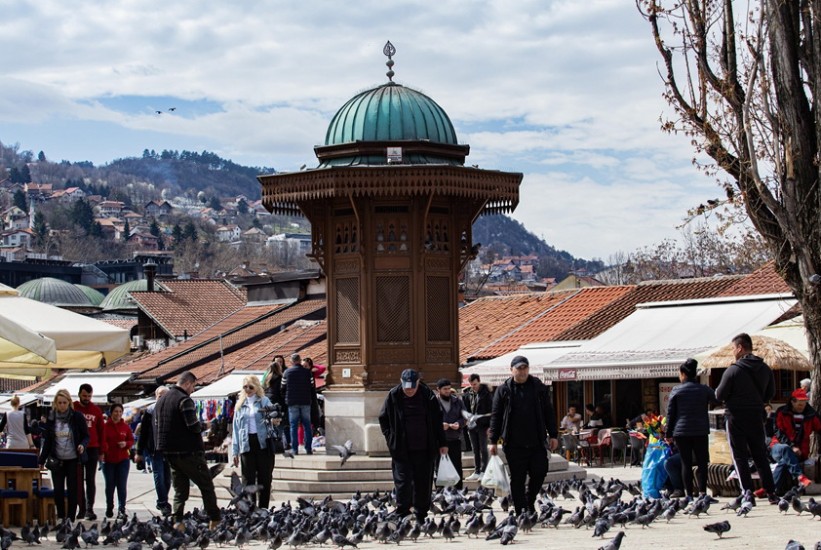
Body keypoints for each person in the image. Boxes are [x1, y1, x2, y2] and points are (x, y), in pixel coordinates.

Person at [488, 355, 559, 515]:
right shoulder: (503, 390)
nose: (522, 371)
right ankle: (521, 510)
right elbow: (496, 416)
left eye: (525, 368)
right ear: (511, 369)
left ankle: (529, 499)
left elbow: (549, 411)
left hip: (536, 440)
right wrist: (493, 440)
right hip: (513, 443)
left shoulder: (538, 387)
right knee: (518, 478)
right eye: (519, 368)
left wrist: (553, 434)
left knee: (540, 471)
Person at [715, 332, 778, 503]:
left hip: (736, 417)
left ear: (740, 348)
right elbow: (770, 393)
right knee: (760, 455)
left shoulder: (733, 370)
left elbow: (719, 395)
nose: (733, 352)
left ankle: (748, 493)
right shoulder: (765, 369)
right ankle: (771, 493)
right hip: (757, 416)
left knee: (740, 456)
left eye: (733, 348)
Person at [379, 369, 447, 522]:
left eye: (412, 386)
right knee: (403, 482)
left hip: (425, 448)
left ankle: (420, 513)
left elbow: (437, 420)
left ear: (418, 382)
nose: (409, 390)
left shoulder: (427, 396)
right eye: (406, 386)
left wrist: (442, 443)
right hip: (401, 449)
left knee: (423, 482)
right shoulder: (393, 395)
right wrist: (391, 438)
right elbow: (383, 419)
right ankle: (403, 512)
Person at [154, 371, 221, 528]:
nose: (193, 390)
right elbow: (193, 426)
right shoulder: (184, 400)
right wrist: (208, 425)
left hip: (169, 452)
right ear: (188, 383)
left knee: (180, 490)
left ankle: (177, 521)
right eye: (193, 386)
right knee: (206, 485)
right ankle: (215, 519)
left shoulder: (162, 400)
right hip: (188, 452)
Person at [666, 358, 717, 500]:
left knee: (685, 463)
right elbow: (717, 400)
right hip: (700, 430)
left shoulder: (676, 390)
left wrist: (668, 433)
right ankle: (702, 493)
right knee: (702, 462)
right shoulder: (704, 389)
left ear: (683, 374)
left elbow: (671, 413)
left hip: (681, 432)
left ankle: (689, 494)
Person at [38, 389, 89, 523]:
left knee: (73, 490)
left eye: (64, 402)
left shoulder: (76, 417)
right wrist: (41, 459)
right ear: (55, 403)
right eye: (59, 403)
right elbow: (48, 441)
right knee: (58, 491)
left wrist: (82, 445)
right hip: (57, 459)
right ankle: (61, 517)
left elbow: (86, 436)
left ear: (69, 403)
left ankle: (70, 519)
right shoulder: (52, 418)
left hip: (73, 459)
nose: (62, 405)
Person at [231, 375, 275, 509]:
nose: (248, 390)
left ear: (256, 387)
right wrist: (235, 451)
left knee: (265, 478)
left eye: (251, 387)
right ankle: (250, 508)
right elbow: (235, 429)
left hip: (262, 442)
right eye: (245, 387)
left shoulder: (264, 401)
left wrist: (274, 417)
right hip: (246, 443)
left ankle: (263, 509)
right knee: (247, 480)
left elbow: (274, 415)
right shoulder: (239, 405)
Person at [770, 388, 820, 492]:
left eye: (804, 403)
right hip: (778, 447)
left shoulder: (811, 415)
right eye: (799, 404)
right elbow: (778, 432)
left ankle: (769, 490)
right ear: (792, 401)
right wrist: (792, 447)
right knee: (785, 448)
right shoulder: (781, 412)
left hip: (800, 451)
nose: (802, 406)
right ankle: (800, 476)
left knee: (785, 461)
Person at [135, 386, 172, 516]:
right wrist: (139, 452)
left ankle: (163, 500)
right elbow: (143, 432)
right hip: (154, 449)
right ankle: (162, 502)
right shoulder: (150, 411)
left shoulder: (172, 410)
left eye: (165, 395)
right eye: (160, 395)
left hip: (169, 450)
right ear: (156, 396)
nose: (162, 398)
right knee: (159, 475)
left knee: (167, 478)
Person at [74, 383, 105, 520]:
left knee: (90, 480)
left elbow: (101, 431)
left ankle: (89, 509)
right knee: (78, 480)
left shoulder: (96, 410)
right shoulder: (73, 407)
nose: (86, 398)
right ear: (79, 394)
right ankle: (81, 509)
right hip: (77, 448)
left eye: (89, 396)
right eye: (84, 395)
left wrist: (102, 451)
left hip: (93, 448)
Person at [101, 403, 134, 519]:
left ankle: (122, 509)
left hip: (123, 459)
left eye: (120, 411)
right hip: (108, 460)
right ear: (111, 412)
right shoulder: (105, 426)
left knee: (121, 485)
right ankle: (109, 507)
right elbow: (102, 440)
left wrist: (126, 444)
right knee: (109, 485)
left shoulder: (125, 426)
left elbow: (131, 440)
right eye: (116, 411)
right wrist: (105, 449)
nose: (118, 414)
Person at [436, 379, 466, 489]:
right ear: (438, 390)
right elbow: (427, 420)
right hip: (439, 441)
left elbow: (465, 417)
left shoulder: (458, 401)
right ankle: (440, 494)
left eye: (449, 388)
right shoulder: (433, 402)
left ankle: (459, 493)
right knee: (439, 467)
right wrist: (439, 425)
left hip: (454, 439)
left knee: (457, 467)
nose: (448, 391)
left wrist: (459, 423)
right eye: (445, 389)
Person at [281, 353, 314, 455]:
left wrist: (286, 398)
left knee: (293, 426)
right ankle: (308, 448)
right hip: (305, 401)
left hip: (292, 402)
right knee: (307, 425)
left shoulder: (287, 372)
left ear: (291, 361)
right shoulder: (308, 373)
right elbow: (312, 386)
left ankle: (295, 449)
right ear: (300, 361)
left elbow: (282, 388)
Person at [463, 374, 492, 481]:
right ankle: (477, 471)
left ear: (479, 381)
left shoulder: (486, 394)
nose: (473, 386)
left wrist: (490, 426)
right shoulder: (468, 394)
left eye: (475, 384)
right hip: (471, 426)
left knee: (483, 449)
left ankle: (484, 471)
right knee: (475, 449)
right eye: (471, 384)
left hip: (483, 425)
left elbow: (491, 411)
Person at [263, 356, 288, 445]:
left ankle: (270, 443)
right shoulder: (281, 378)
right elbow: (282, 392)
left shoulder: (267, 379)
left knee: (270, 424)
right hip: (278, 404)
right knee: (279, 424)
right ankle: (280, 443)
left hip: (268, 404)